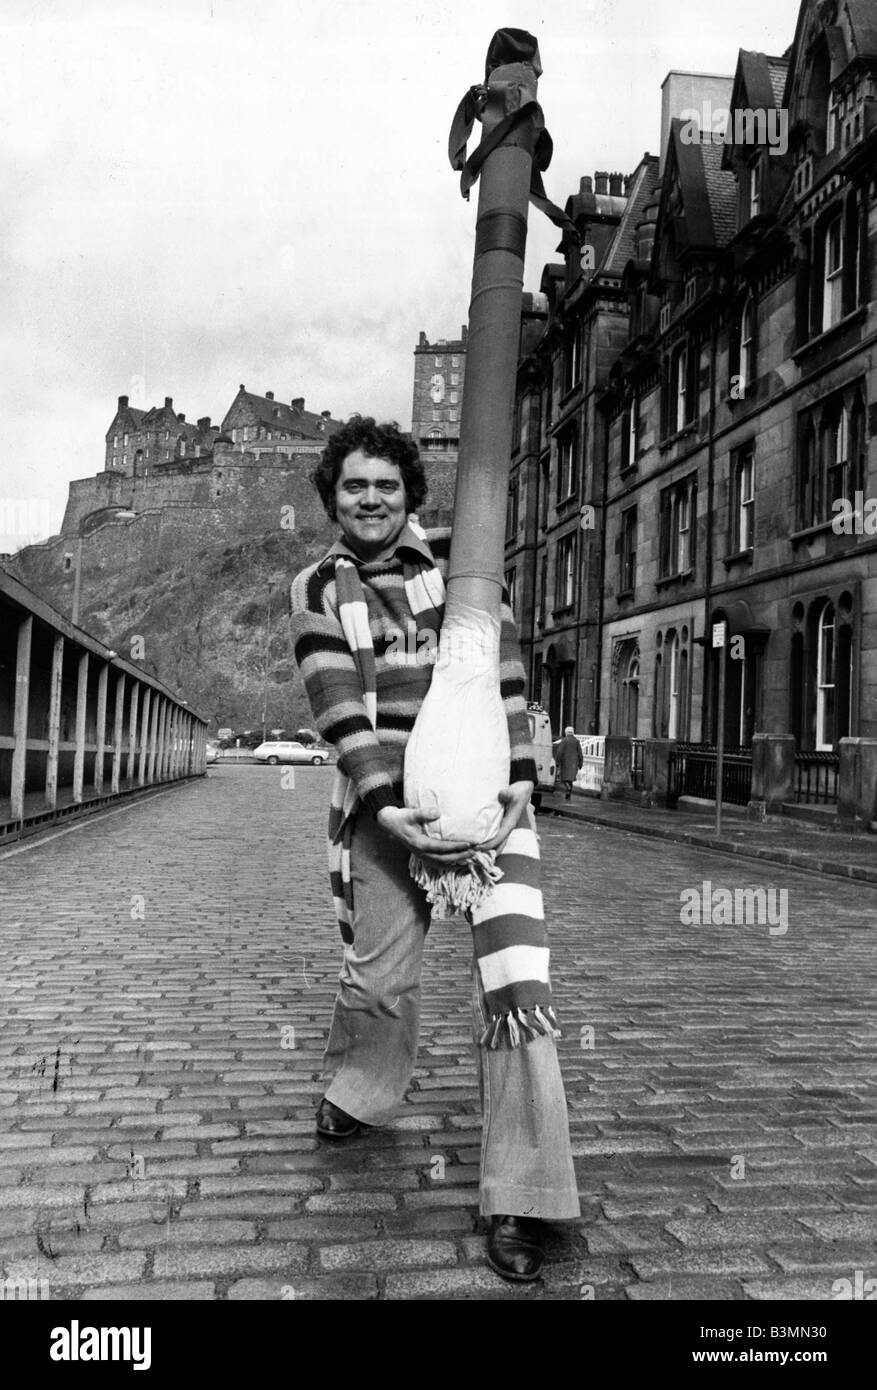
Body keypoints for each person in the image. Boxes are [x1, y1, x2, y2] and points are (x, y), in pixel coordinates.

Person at [289, 417, 580, 1282]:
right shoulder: (315, 585)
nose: (370, 498)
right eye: (353, 486)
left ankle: (523, 1199)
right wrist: (383, 802)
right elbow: (335, 701)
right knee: (378, 975)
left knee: (518, 988)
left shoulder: (465, 558)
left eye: (385, 484)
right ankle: (362, 1090)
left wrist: (523, 775)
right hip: (388, 808)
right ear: (332, 498)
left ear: (410, 493)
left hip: (488, 802)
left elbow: (508, 670)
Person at [554, 726, 583, 800]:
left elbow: (559, 752)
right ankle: (568, 793)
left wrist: (557, 761)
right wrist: (580, 763)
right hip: (574, 763)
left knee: (564, 779)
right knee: (570, 779)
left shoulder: (564, 740)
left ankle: (568, 788)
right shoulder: (576, 741)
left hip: (565, 763)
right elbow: (580, 753)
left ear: (566, 732)